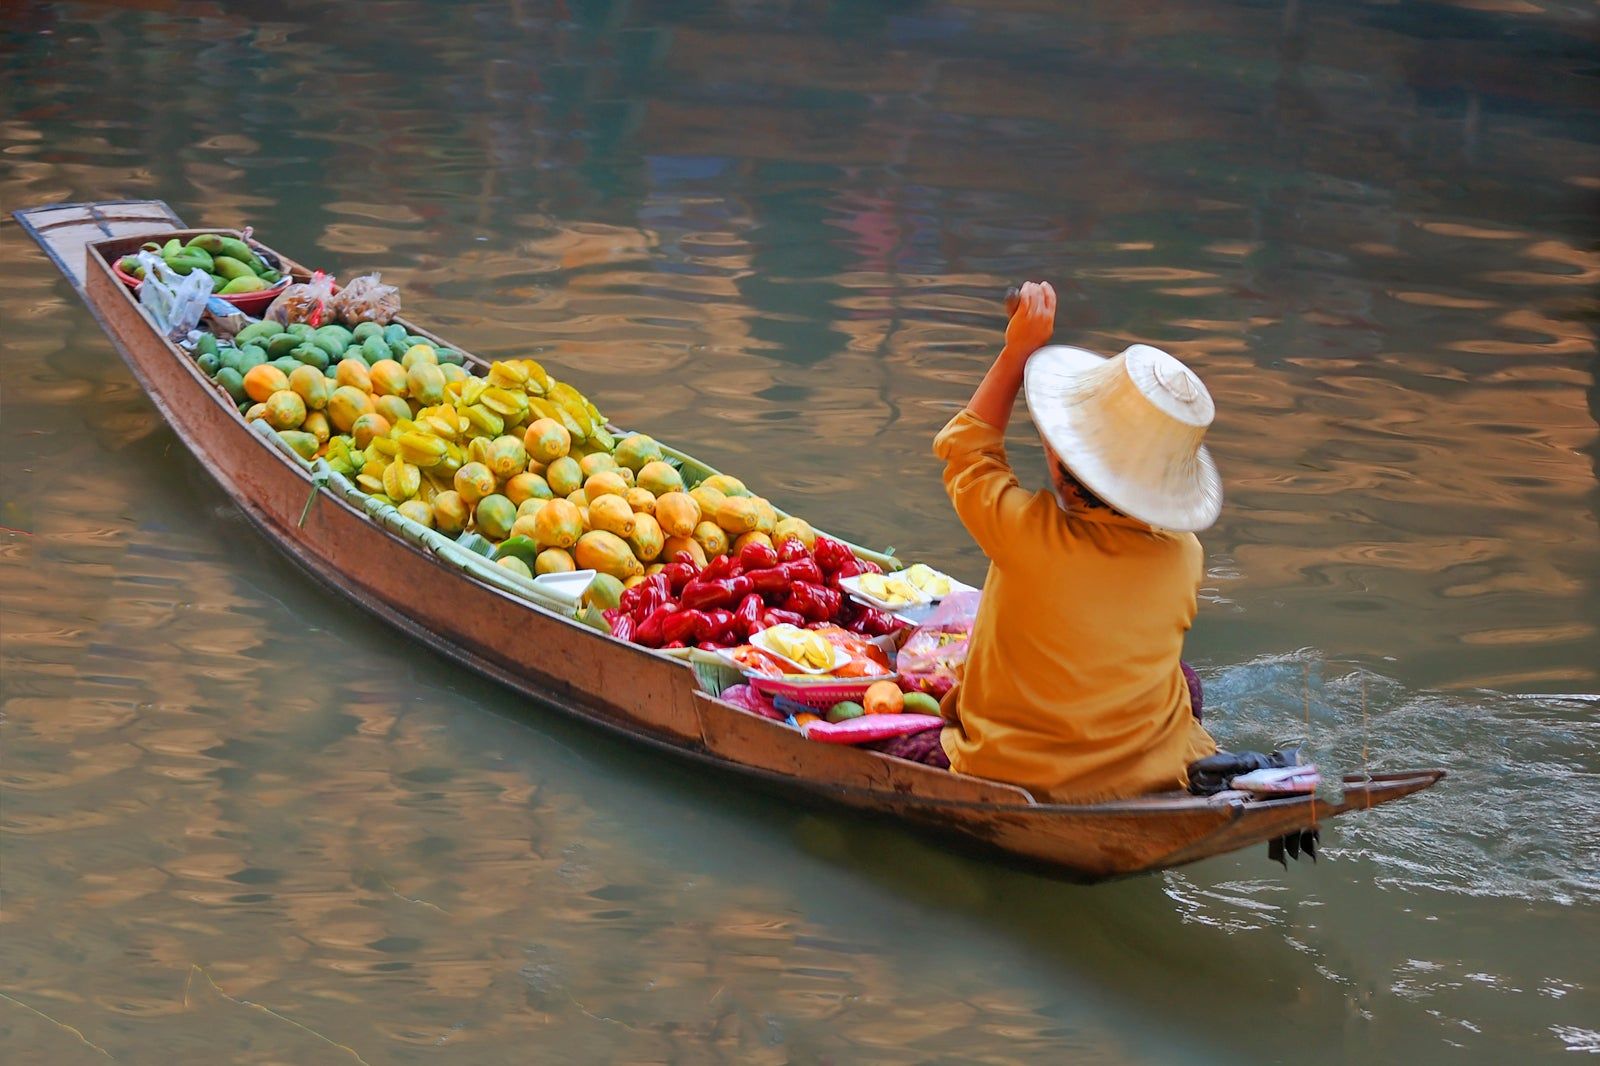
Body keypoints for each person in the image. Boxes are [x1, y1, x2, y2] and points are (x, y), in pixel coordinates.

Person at [879, 281, 1221, 803]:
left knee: (886, 738)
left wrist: (1017, 351)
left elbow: (969, 451)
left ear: (1062, 463)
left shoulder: (1026, 532)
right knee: (1185, 679)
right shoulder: (1185, 554)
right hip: (1152, 763)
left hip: (1018, 767)